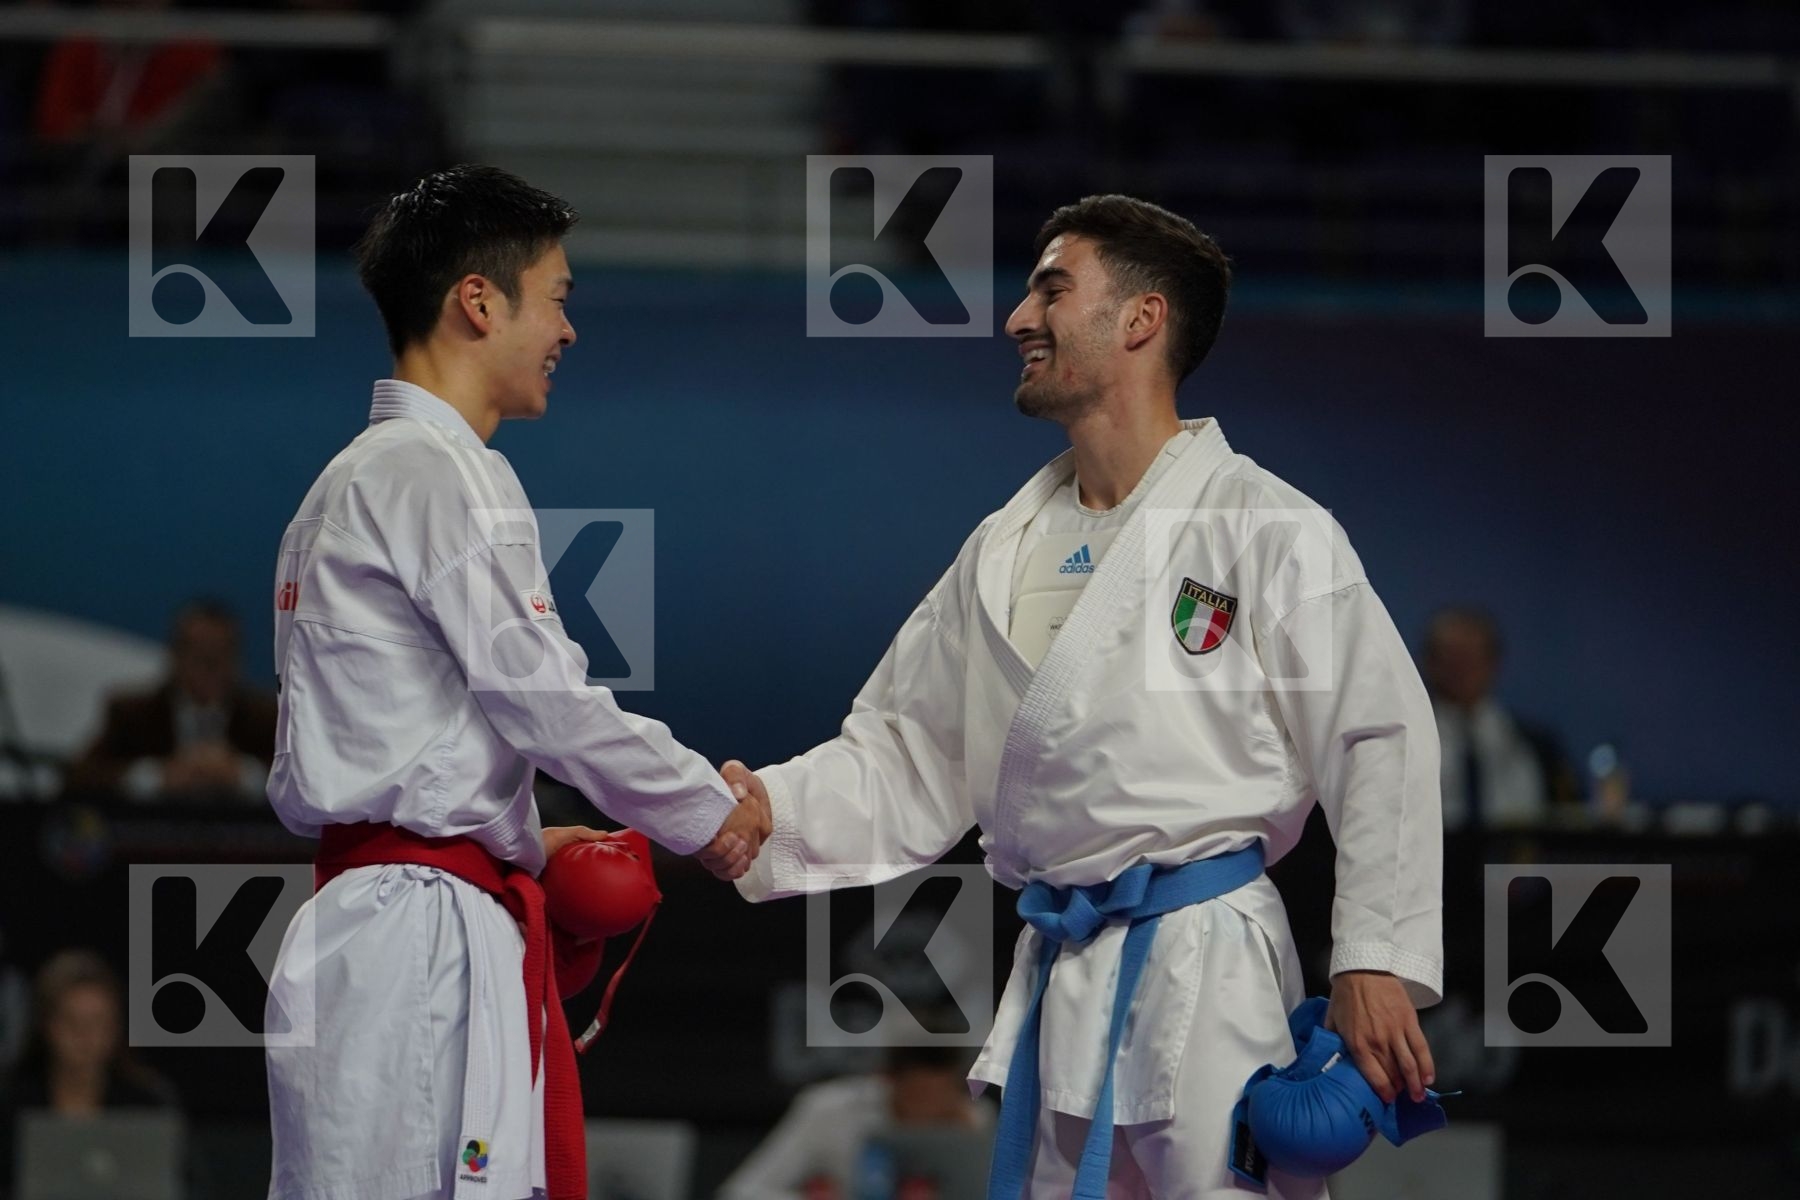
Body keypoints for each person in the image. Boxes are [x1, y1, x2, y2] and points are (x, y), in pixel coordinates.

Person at [724, 195, 1442, 1198]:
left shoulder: (1268, 528)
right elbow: (906, 751)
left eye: (1052, 290)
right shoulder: (1000, 549)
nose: (1018, 318)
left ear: (1141, 320)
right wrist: (769, 809)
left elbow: (1380, 738)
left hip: (1207, 960)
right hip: (1063, 962)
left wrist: (1372, 956)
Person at [262, 164, 769, 1200]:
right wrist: (710, 813)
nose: (569, 331)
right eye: (559, 298)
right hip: (412, 935)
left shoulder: (363, 479)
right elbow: (545, 701)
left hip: (408, 913)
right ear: (478, 301)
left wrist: (520, 839)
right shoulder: (427, 472)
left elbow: (401, 738)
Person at [0, 950, 181, 1194]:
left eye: (98, 1022)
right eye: (71, 1022)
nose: (85, 1037)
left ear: (116, 1027)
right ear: (46, 1025)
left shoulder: (147, 1103)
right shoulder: (11, 1102)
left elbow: (178, 1184)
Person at [64, 599, 277, 801]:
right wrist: (157, 776)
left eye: (221, 654)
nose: (210, 666)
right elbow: (79, 777)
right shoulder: (133, 714)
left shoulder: (264, 717)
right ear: (175, 655)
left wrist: (244, 774)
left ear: (238, 659)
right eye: (200, 654)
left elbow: (302, 780)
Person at [718, 1045, 994, 1200]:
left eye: (943, 1094)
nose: (930, 1107)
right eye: (918, 1095)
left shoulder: (976, 1119)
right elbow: (742, 1193)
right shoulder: (828, 1109)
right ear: (887, 1080)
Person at [1421, 605, 1575, 830]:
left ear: (1493, 663)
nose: (1462, 670)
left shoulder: (1534, 745)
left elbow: (1567, 817)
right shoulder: (1409, 742)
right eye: (1451, 658)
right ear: (1428, 663)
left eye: (1472, 658)